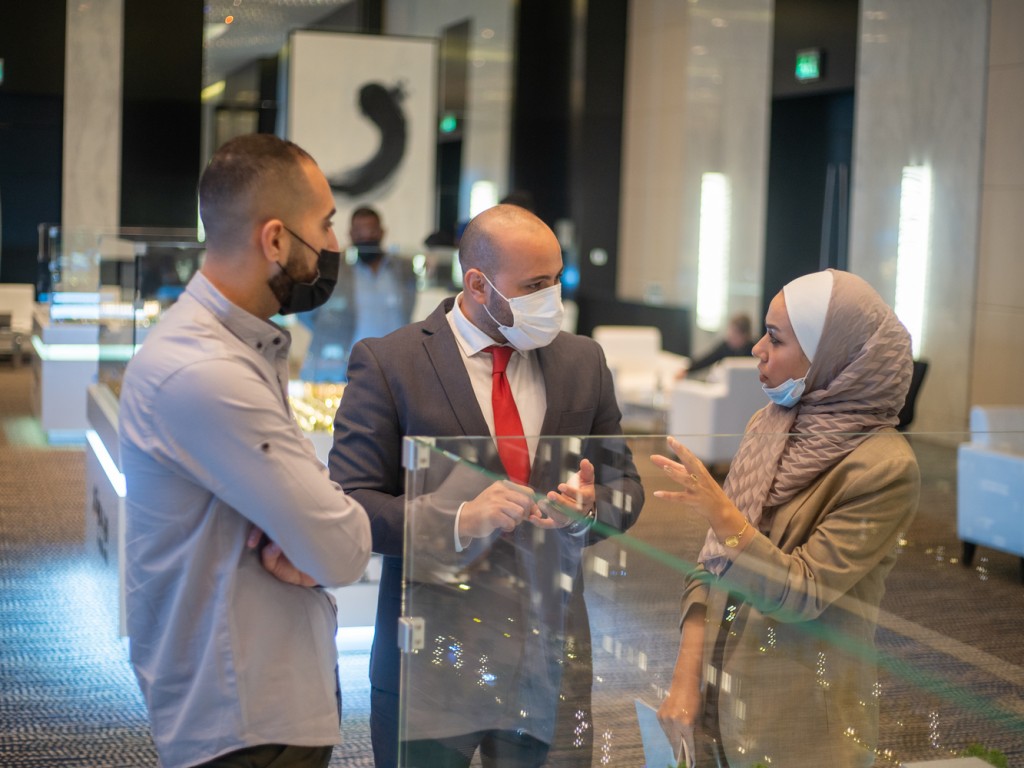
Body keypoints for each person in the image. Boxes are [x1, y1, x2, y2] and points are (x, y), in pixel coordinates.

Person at [328, 203, 644, 768]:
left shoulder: (582, 361)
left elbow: (626, 485)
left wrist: (591, 507)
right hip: (434, 657)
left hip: (550, 653)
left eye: (556, 280)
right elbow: (350, 503)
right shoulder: (390, 363)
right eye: (534, 286)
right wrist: (457, 520)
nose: (552, 298)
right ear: (477, 284)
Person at [119, 134, 373, 768]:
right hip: (244, 721)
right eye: (325, 225)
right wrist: (318, 542)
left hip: (262, 697)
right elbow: (342, 546)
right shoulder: (208, 372)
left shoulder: (236, 349)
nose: (334, 245)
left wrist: (313, 538)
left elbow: (318, 529)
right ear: (276, 240)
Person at [652, 269, 921, 767]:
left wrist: (723, 515)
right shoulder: (771, 424)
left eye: (775, 338)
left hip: (801, 725)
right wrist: (686, 679)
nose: (757, 349)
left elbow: (802, 594)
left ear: (831, 356)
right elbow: (711, 566)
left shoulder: (883, 467)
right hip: (718, 698)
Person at [297, 205, 417, 381]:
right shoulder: (336, 269)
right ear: (351, 234)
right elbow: (307, 312)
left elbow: (408, 308)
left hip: (394, 366)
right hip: (345, 367)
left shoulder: (402, 269)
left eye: (371, 231)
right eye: (360, 233)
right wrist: (331, 332)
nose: (366, 237)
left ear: (381, 232)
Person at [682, 311, 755, 378]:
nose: (729, 338)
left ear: (745, 335)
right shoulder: (726, 346)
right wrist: (688, 369)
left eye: (734, 336)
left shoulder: (754, 351)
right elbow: (707, 359)